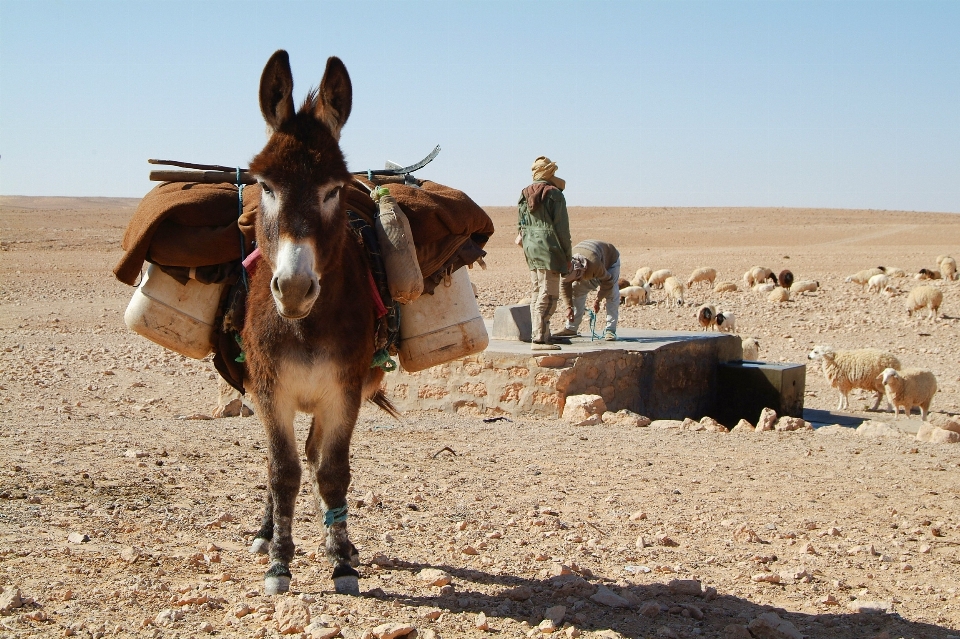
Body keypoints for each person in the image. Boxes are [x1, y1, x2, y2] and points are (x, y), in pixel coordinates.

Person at [517, 156, 572, 351]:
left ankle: (541, 334)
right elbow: (562, 230)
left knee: (536, 292)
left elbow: (520, 225)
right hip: (549, 248)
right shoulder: (554, 194)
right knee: (548, 294)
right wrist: (567, 256)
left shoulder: (524, 193)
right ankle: (540, 339)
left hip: (530, 247)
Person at [554, 239, 621, 341]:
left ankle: (610, 330)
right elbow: (565, 285)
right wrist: (568, 307)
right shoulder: (566, 267)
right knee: (576, 289)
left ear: (581, 271)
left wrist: (598, 299)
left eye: (577, 278)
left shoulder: (594, 264)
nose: (576, 280)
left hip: (610, 260)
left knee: (611, 294)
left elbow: (608, 281)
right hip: (590, 261)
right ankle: (571, 328)